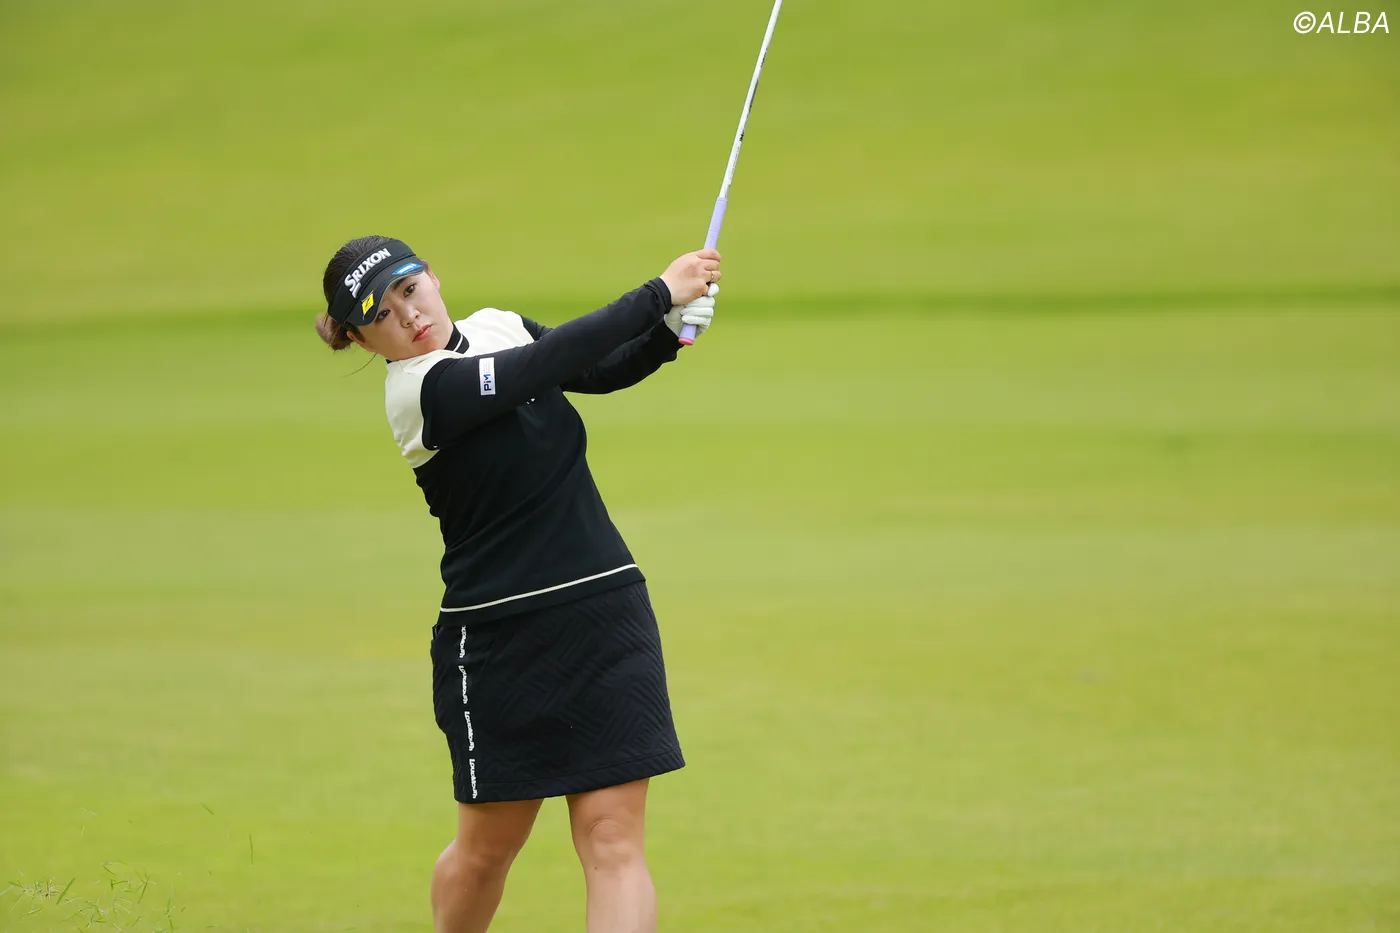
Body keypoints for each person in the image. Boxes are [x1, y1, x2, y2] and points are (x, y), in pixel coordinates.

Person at [314, 236, 721, 933]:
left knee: (613, 840)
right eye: (381, 315)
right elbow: (542, 364)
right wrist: (659, 293)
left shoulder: (499, 324)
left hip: (604, 608)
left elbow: (597, 368)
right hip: (499, 639)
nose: (408, 316)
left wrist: (665, 336)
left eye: (410, 290)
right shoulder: (419, 393)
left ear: (432, 276)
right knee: (487, 852)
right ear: (360, 339)